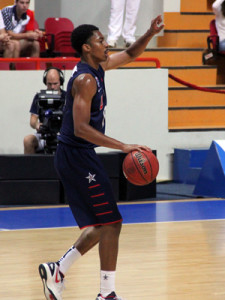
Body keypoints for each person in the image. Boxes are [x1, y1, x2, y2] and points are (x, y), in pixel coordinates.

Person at [38, 15, 164, 300]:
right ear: (86, 47)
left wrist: (148, 32)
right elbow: (81, 129)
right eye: (100, 41)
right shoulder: (84, 79)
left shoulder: (99, 67)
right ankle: (106, 294)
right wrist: (123, 146)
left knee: (100, 225)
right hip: (76, 156)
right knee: (111, 223)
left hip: (79, 156)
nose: (106, 44)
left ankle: (58, 270)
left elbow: (131, 53)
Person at [23, 67, 66, 154]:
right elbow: (33, 120)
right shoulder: (39, 97)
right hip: (44, 134)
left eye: (55, 84)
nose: (52, 87)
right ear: (45, 82)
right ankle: (30, 167)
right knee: (28, 140)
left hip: (63, 133)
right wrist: (37, 125)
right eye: (49, 84)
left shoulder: (67, 97)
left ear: (60, 82)